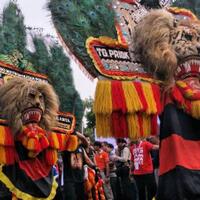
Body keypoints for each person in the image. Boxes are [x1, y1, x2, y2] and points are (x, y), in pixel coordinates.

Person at [62, 131, 95, 200]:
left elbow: (87, 160)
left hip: (80, 179)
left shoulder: (81, 148)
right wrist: (68, 132)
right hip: (69, 180)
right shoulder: (65, 147)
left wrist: (95, 167)